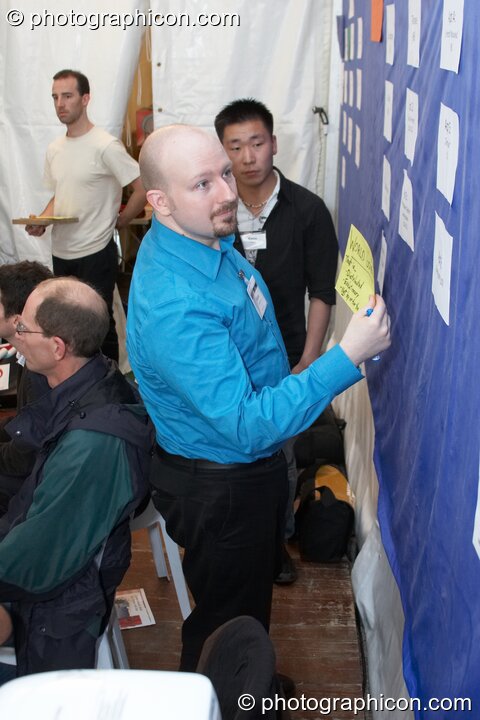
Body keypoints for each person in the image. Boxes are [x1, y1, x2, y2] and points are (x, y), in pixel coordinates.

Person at [126, 124, 391, 672]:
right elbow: (246, 425)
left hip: (247, 467)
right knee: (226, 624)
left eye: (224, 172)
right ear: (159, 201)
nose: (227, 192)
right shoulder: (176, 304)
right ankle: (227, 700)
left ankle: (252, 683)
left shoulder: (204, 238)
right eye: (203, 183)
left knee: (246, 614)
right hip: (221, 483)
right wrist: (344, 359)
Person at [0, 277, 154, 676]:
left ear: (56, 348)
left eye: (23, 327)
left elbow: (35, 561)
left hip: (57, 610)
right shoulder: (92, 376)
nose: (14, 333)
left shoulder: (92, 444)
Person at [215, 98, 339, 583]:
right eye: (236, 146)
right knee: (229, 450)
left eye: (257, 143)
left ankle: (274, 543)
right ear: (223, 151)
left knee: (279, 456)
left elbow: (322, 292)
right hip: (226, 353)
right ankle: (234, 537)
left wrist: (308, 359)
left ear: (273, 144)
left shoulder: (307, 210)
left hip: (286, 354)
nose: (248, 157)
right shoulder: (214, 207)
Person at [25, 69, 146, 362]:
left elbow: (142, 187)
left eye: (67, 96)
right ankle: (80, 385)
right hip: (62, 251)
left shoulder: (105, 145)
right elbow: (60, 194)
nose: (60, 104)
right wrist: (41, 220)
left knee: (99, 325)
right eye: (55, 97)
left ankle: (109, 390)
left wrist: (123, 219)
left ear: (85, 98)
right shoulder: (55, 149)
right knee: (67, 325)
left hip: (96, 251)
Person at [0, 261, 53, 513]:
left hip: (40, 487)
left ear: (18, 318)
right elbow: (23, 427)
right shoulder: (27, 356)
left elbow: (25, 457)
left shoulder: (41, 373)